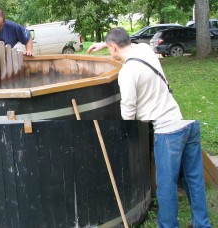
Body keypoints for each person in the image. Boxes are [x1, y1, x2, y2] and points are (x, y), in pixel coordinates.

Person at [87, 27, 211, 228]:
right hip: (186, 126)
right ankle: (202, 224)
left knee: (166, 188)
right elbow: (129, 45)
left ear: (114, 47)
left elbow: (128, 112)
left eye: (109, 48)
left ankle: (168, 225)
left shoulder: (127, 72)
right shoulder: (144, 50)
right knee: (194, 181)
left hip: (168, 133)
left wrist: (124, 135)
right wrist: (106, 44)